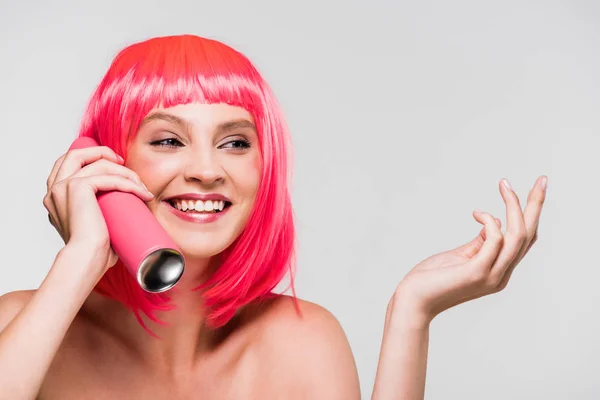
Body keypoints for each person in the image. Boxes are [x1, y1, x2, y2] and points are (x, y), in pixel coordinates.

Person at [0, 34, 547, 399]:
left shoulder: (303, 340)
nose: (208, 170)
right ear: (105, 160)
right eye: (168, 139)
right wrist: (80, 259)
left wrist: (412, 313)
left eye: (235, 142)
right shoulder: (25, 324)